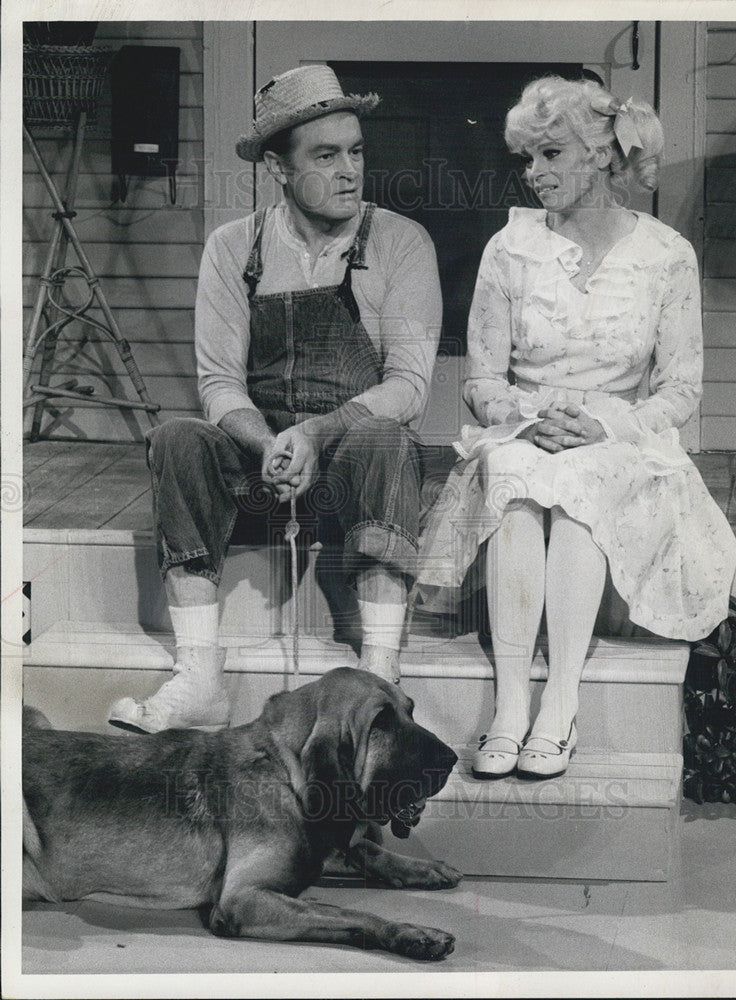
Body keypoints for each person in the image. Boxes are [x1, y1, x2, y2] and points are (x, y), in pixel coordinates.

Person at [416, 76, 736, 781]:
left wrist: (602, 423)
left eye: (550, 154)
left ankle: (558, 703)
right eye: (527, 160)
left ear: (599, 154)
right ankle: (508, 706)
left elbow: (681, 388)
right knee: (514, 476)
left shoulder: (665, 255)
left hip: (618, 438)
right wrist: (525, 420)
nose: (534, 175)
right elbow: (482, 381)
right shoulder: (511, 248)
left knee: (584, 480)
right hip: (525, 432)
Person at [108, 65, 442, 734]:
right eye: (326, 156)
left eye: (356, 151)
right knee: (176, 437)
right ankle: (200, 675)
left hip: (353, 475)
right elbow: (218, 384)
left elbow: (407, 386)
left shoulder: (400, 242)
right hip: (264, 472)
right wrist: (269, 444)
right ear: (278, 169)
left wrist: (317, 435)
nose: (350, 170)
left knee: (385, 434)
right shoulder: (234, 248)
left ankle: (379, 670)